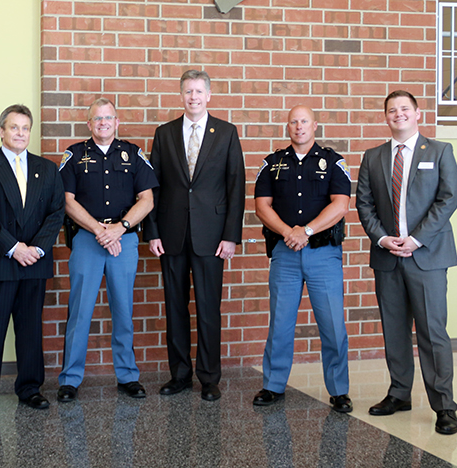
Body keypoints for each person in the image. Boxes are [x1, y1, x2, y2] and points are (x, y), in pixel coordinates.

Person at [355, 90, 457, 435]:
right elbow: (364, 205)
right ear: (385, 117)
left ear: (418, 113)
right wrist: (383, 239)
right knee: (395, 331)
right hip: (387, 257)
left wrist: (416, 239)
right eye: (391, 110)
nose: (398, 114)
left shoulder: (440, 151)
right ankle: (399, 393)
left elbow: (447, 200)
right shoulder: (372, 157)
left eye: (404, 109)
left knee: (433, 333)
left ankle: (444, 405)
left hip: (427, 256)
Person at [143, 69, 245, 401]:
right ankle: (180, 374)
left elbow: (236, 187)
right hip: (171, 235)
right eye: (188, 91)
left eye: (199, 91)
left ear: (209, 95)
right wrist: (152, 231)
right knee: (174, 306)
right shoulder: (165, 133)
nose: (193, 97)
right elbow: (153, 187)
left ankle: (209, 377)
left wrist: (231, 236)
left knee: (208, 307)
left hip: (212, 237)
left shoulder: (226, 133)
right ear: (181, 95)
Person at [56, 98, 157, 402]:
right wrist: (99, 230)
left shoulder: (133, 153)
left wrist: (119, 228)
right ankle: (70, 379)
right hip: (88, 239)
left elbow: (147, 199)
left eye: (108, 118)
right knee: (80, 311)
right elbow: (67, 200)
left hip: (123, 240)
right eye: (97, 119)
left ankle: (127, 375)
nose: (103, 123)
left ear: (117, 121)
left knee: (124, 310)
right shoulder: (74, 154)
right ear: (89, 124)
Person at [252, 106, 352, 412]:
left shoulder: (333, 162)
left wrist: (306, 231)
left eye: (304, 121)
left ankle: (339, 390)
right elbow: (261, 205)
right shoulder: (272, 163)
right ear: (287, 126)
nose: (299, 126)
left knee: (333, 324)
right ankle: (273, 385)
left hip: (323, 253)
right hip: (285, 253)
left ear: (315, 125)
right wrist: (288, 233)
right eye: (294, 121)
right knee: (280, 323)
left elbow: (342, 204)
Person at [0, 104, 64, 415]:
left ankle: (30, 388)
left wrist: (35, 249)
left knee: (30, 329)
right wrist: (14, 248)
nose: (20, 133)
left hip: (35, 262)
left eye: (25, 128)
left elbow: (56, 213)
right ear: (2, 131)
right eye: (14, 127)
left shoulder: (46, 168)